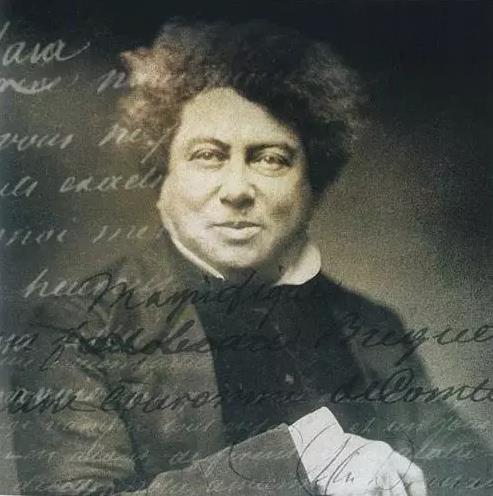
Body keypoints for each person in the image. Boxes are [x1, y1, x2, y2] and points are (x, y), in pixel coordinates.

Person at [8, 19, 489, 496]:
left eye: (270, 158)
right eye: (208, 155)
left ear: (311, 186)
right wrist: (301, 458)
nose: (237, 189)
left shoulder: (371, 328)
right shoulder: (79, 330)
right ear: (163, 177)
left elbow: (471, 476)